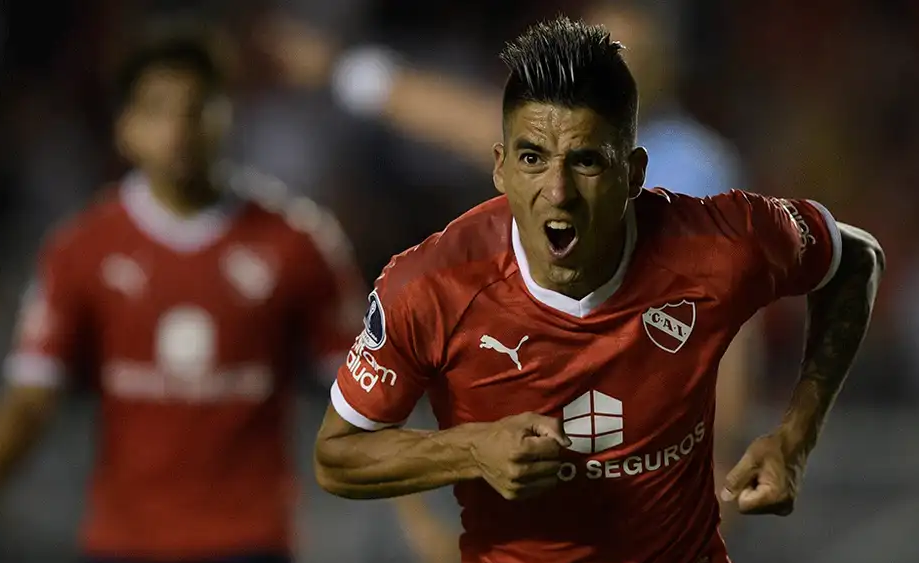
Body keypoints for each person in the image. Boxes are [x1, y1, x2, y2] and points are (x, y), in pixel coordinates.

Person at [313, 16, 884, 563]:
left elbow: (855, 258)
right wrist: (470, 450)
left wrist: (795, 437)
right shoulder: (430, 286)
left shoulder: (715, 242)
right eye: (532, 159)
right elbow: (337, 455)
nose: (557, 192)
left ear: (633, 173)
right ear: (500, 167)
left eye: (585, 160)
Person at [0, 25, 453, 563]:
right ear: (125, 128)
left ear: (226, 117)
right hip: (123, 545)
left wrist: (419, 517)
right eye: (157, 110)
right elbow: (33, 393)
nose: (177, 129)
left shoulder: (297, 245)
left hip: (246, 542)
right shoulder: (81, 250)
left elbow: (366, 389)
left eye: (195, 108)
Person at [263, 3, 755, 509]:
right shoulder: (562, 135)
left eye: (624, 55)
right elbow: (467, 120)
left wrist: (721, 451)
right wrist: (349, 73)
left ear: (663, 68)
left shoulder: (695, 168)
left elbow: (732, 318)